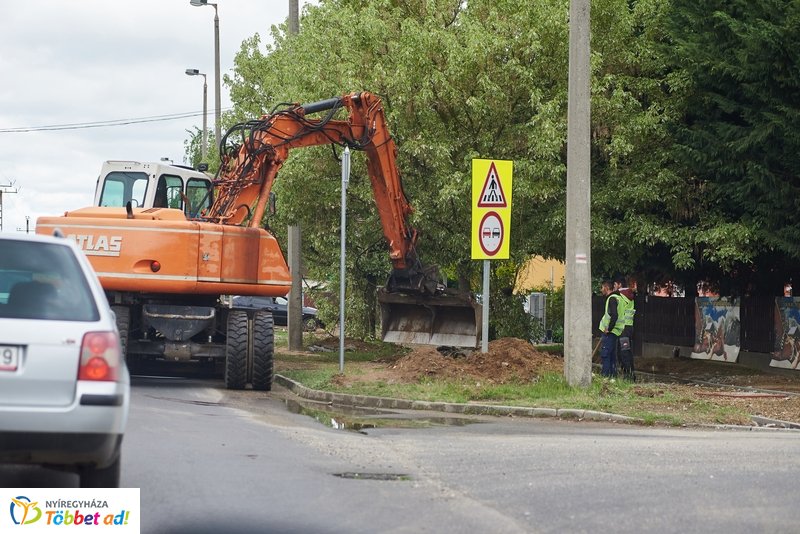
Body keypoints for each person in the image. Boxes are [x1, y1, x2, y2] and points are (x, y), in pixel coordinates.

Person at [613, 275, 636, 381]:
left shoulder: (620, 296)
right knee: (625, 352)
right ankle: (630, 375)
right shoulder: (629, 295)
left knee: (623, 353)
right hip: (628, 327)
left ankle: (629, 376)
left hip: (623, 329)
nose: (614, 287)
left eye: (615, 284)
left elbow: (617, 312)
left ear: (619, 285)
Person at [597, 279, 620, 377]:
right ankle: (612, 377)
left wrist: (608, 329)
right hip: (614, 331)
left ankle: (605, 377)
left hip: (610, 332)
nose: (601, 290)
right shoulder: (616, 298)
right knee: (611, 355)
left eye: (602, 287)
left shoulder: (612, 299)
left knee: (606, 354)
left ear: (606, 288)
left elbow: (614, 315)